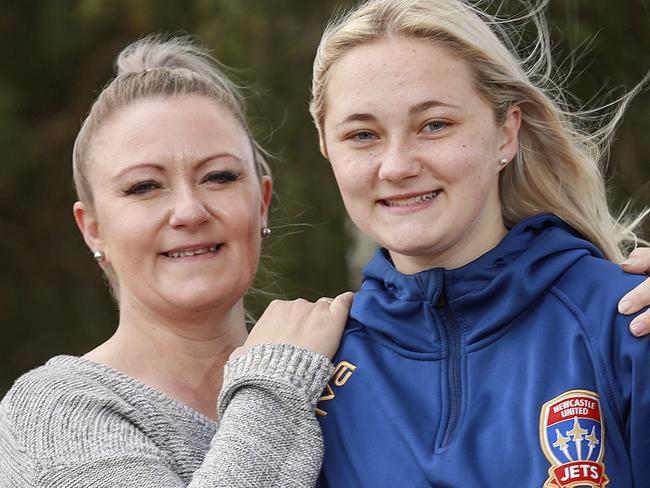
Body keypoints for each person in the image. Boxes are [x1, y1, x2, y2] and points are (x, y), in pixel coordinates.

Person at [308, 0, 650, 486]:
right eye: (363, 135)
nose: (397, 165)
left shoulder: (625, 322)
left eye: (435, 125)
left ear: (506, 134)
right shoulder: (309, 371)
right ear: (327, 149)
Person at [0, 35, 353, 487]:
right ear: (93, 228)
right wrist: (275, 383)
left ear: (262, 203)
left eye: (219, 177)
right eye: (144, 186)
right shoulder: (54, 411)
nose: (189, 211)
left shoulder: (341, 370)